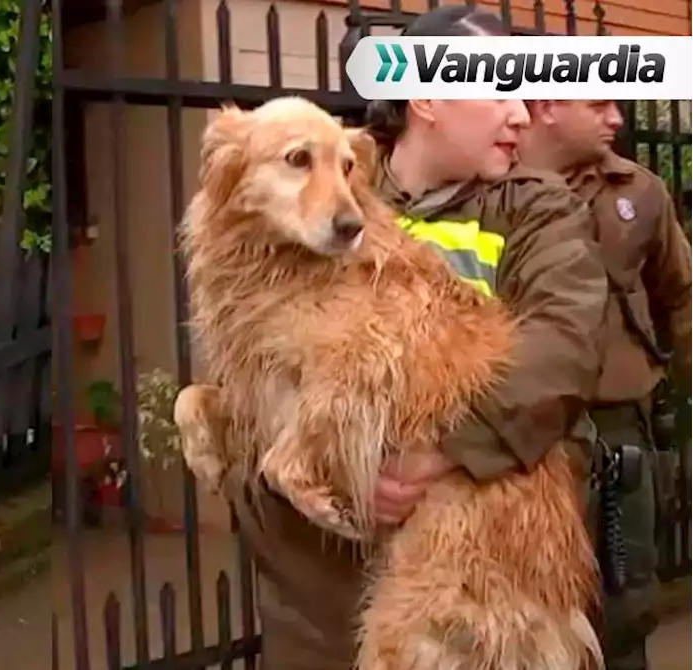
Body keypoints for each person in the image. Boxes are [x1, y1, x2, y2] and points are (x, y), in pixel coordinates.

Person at [216, 5, 611, 669]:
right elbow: (258, 371)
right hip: (314, 591)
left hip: (462, 583)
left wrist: (442, 453)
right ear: (426, 94)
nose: (522, 114)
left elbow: (564, 350)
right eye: (501, 90)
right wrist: (305, 465)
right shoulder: (318, 198)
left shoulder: (534, 208)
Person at [518, 99, 693, 670]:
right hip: (526, 431)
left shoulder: (639, 192)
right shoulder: (494, 182)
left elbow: (680, 294)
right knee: (530, 601)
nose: (617, 118)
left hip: (620, 423)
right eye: (599, 105)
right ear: (547, 108)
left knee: (625, 597)